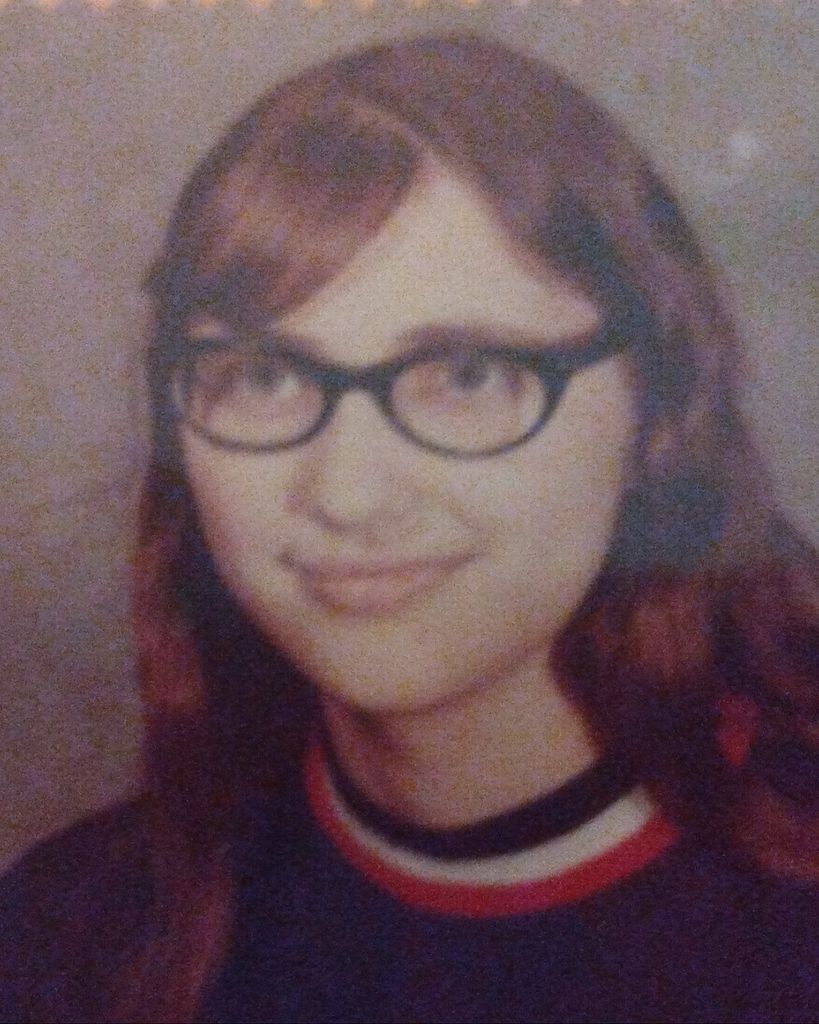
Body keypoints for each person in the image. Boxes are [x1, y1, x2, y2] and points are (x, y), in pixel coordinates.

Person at [1, 32, 817, 1024]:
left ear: (655, 411)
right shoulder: (68, 935)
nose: (347, 493)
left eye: (467, 375)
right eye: (264, 375)